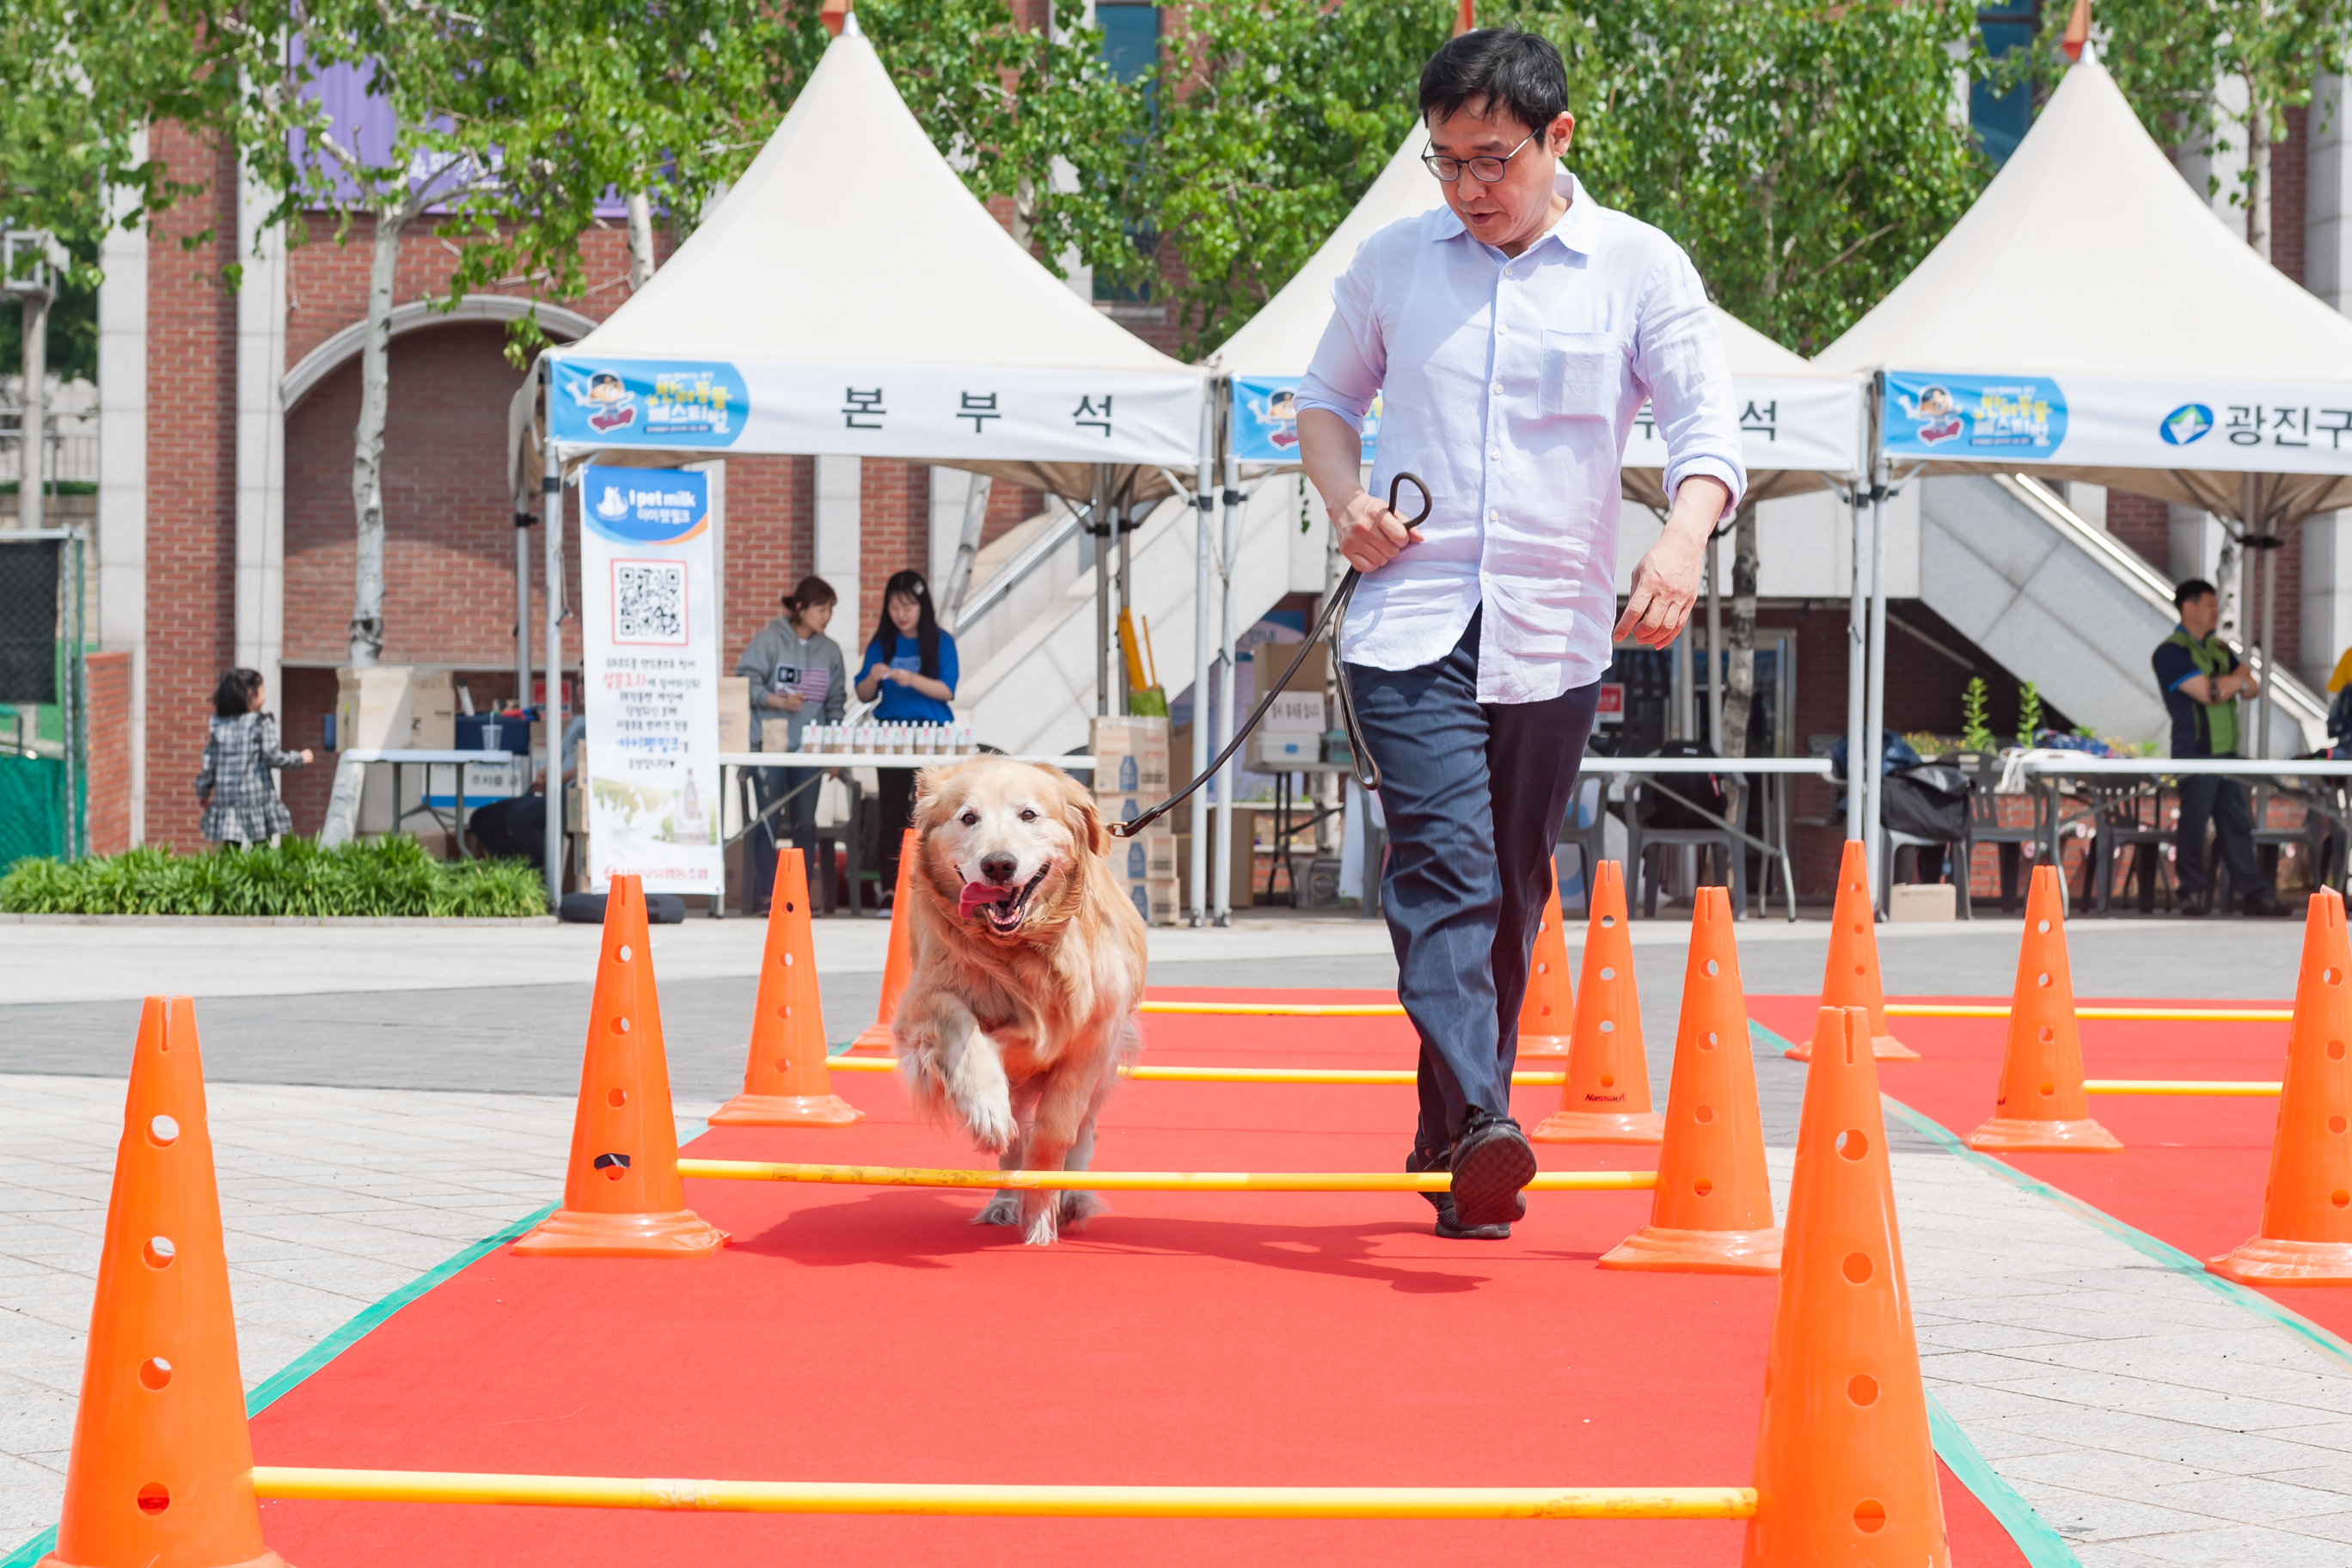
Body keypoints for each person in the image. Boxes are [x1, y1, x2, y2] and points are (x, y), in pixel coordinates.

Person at [1295, 29, 1744, 1239]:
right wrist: (1345, 500)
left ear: (1558, 138)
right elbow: (1324, 403)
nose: (1468, 187)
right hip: (1410, 622)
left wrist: (1682, 540)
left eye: (1491, 160)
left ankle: (1453, 1140)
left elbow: (1707, 427)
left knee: (1511, 886)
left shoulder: (1639, 266)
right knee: (1444, 865)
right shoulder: (1395, 263)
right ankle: (1489, 1117)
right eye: (1445, 163)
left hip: (1553, 631)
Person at [2153, 579, 2286, 916]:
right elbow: (2206, 693)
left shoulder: (2220, 649)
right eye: (2210, 604)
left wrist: (2229, 683)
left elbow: (2252, 687)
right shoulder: (2171, 652)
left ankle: (2254, 894)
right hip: (2195, 751)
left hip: (2227, 754)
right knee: (2194, 822)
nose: (2216, 611)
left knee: (2236, 823)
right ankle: (2192, 892)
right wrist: (2233, 683)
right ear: (2189, 607)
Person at [735, 576, 848, 914]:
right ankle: (767, 895)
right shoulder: (769, 641)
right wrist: (776, 700)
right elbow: (743, 682)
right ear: (800, 607)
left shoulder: (831, 651)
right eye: (820, 608)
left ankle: (798, 896)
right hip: (769, 749)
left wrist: (835, 752)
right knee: (767, 820)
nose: (826, 616)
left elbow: (836, 705)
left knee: (805, 823)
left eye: (830, 609)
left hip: (810, 753)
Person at [854, 569, 959, 901]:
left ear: (922, 607)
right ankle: (891, 889)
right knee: (892, 812)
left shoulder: (941, 642)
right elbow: (863, 694)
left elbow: (947, 690)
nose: (901, 614)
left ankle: (933, 889)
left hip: (932, 736)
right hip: (892, 737)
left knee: (933, 813)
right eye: (894, 607)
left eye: (908, 606)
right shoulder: (881, 643)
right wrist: (873, 677)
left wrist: (911, 679)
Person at [195, 668, 314, 847]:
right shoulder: (260, 722)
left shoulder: (219, 724)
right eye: (262, 691)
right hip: (257, 800)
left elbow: (209, 763)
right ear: (251, 693)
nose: (264, 697)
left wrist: (203, 791)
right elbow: (272, 756)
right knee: (262, 846)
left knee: (230, 848)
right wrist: (299, 758)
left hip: (227, 801)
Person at [467, 708, 587, 868]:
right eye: (579, 688)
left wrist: (565, 777)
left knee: (520, 816)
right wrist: (545, 775)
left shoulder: (610, 726)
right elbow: (559, 759)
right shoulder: (577, 722)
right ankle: (516, 869)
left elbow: (601, 764)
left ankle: (538, 872)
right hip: (553, 791)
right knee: (481, 819)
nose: (580, 693)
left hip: (576, 796)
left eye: (583, 688)